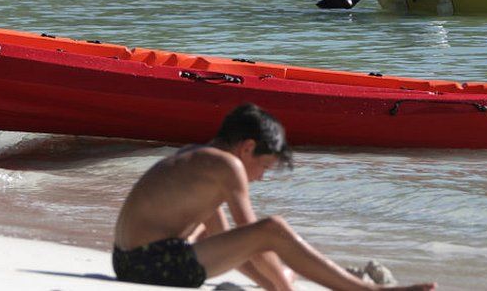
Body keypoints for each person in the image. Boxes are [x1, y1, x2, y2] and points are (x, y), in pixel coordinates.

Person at [113, 103, 437, 290]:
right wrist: (283, 285)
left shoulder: (197, 158)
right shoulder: (227, 165)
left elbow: (226, 241)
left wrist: (272, 283)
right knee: (273, 228)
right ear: (248, 147)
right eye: (264, 165)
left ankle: (289, 281)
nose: (261, 176)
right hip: (152, 264)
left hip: (129, 261)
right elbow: (256, 237)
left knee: (248, 239)